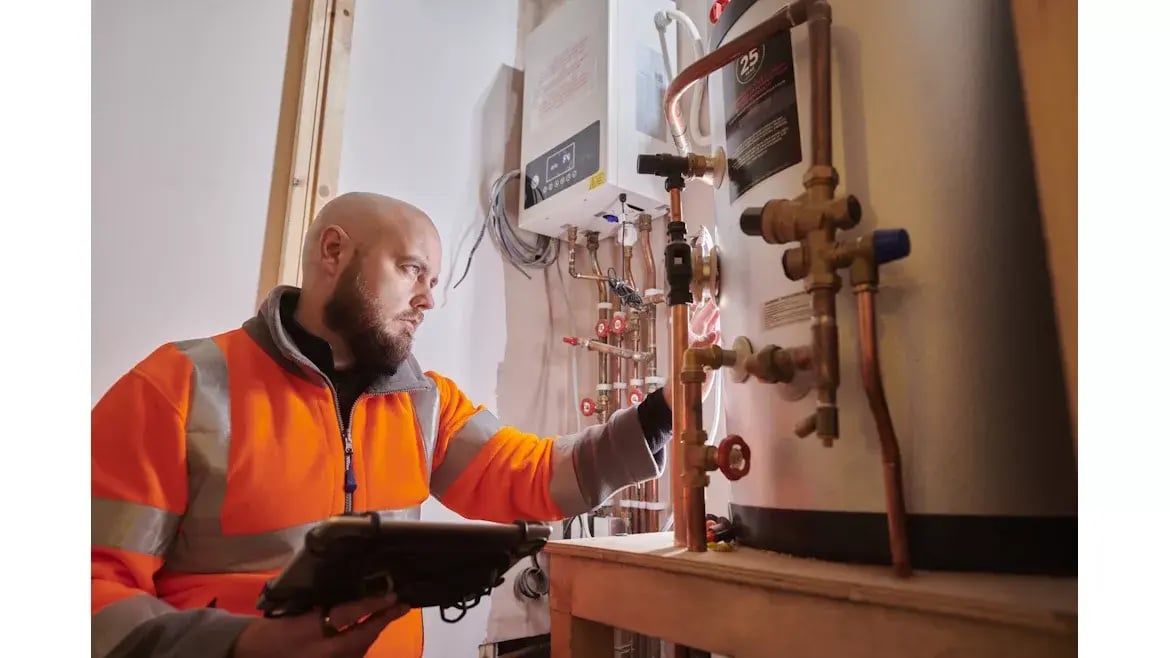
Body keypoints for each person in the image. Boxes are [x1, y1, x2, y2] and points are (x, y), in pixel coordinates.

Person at [91, 192, 717, 658]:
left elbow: (534, 476)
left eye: (434, 280)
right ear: (333, 252)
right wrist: (240, 647)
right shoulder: (178, 387)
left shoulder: (425, 403)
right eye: (412, 269)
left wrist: (664, 410)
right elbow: (87, 588)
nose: (429, 299)